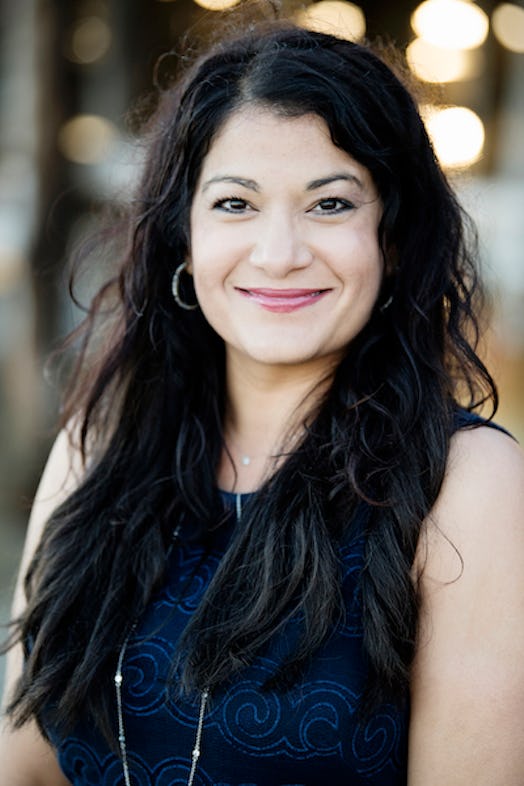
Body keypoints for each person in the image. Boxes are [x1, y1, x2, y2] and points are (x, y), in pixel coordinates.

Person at [2, 20, 524, 786]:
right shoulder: (101, 442)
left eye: (331, 205)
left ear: (395, 236)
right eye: (235, 204)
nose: (278, 254)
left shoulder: (470, 486)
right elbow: (25, 767)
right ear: (184, 235)